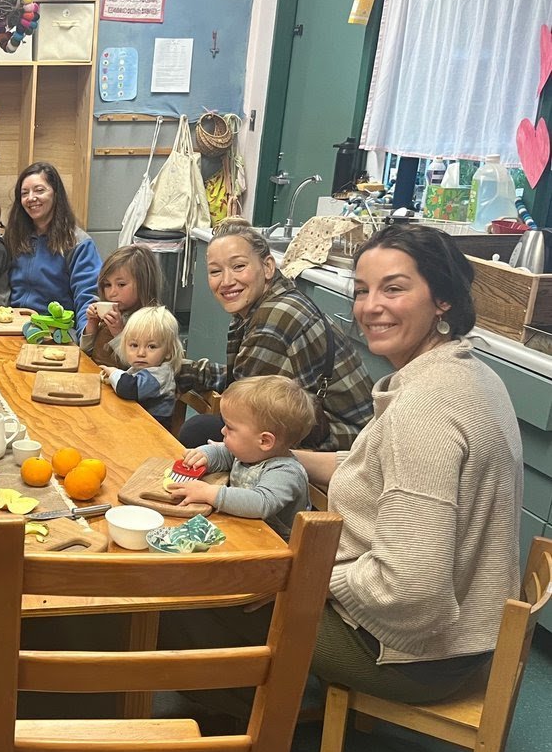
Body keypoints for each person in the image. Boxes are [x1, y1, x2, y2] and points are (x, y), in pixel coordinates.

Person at [162, 224, 523, 725]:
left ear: (442, 298)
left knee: (195, 588)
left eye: (394, 288)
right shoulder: (465, 373)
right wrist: (281, 457)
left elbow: (409, 586)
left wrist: (295, 580)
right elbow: (366, 467)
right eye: (361, 290)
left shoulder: (425, 411)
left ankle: (256, 731)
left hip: (412, 652)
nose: (370, 305)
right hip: (464, 630)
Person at [177, 221, 373, 451]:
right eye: (215, 271)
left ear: (268, 267)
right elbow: (247, 380)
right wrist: (182, 370)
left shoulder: (275, 317)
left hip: (347, 442)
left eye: (239, 266)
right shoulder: (272, 302)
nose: (227, 280)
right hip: (335, 426)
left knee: (198, 432)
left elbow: (244, 406)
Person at [169, 375, 313, 539]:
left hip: (273, 548)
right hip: (243, 530)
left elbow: (261, 503)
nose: (222, 431)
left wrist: (209, 493)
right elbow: (224, 453)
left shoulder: (285, 472)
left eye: (230, 427)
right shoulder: (250, 453)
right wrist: (204, 455)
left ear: (264, 441)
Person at [0, 162, 99, 326]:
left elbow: (87, 298)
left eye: (39, 190)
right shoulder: (11, 238)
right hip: (10, 325)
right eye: (25, 193)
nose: (31, 198)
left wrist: (85, 339)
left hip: (55, 330)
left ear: (55, 193)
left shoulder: (79, 244)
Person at [81, 244, 162, 367]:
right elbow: (85, 353)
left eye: (121, 284)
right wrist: (91, 324)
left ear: (144, 284)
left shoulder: (150, 322)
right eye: (107, 285)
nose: (112, 293)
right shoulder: (110, 312)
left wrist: (118, 333)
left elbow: (136, 366)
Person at [98, 306, 182, 425]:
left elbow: (128, 388)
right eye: (134, 345)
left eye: (151, 347)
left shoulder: (160, 375)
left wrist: (113, 373)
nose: (141, 353)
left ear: (168, 352)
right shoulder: (143, 367)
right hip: (135, 421)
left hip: (153, 432)